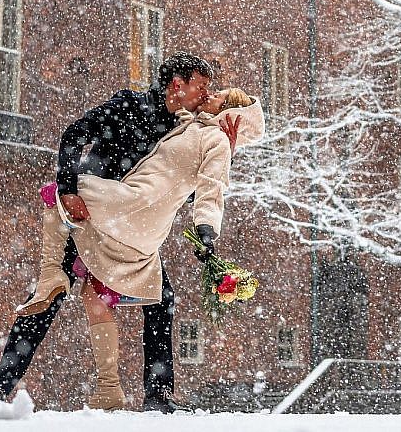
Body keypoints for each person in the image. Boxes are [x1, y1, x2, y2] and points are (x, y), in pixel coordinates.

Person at [0, 52, 235, 412]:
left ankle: (158, 396)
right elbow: (74, 134)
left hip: (128, 232)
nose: (205, 95)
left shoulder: (183, 130)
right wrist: (68, 189)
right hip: (90, 217)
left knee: (161, 300)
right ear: (176, 85)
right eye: (200, 87)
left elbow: (190, 192)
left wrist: (229, 150)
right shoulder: (128, 106)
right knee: (47, 297)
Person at [35, 88, 264, 409]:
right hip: (137, 215)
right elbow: (174, 112)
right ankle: (113, 390)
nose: (209, 94)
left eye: (217, 95)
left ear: (227, 113)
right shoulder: (194, 126)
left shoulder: (217, 142)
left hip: (135, 206)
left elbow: (213, 190)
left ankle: (51, 276)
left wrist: (207, 231)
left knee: (61, 191)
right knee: (98, 293)